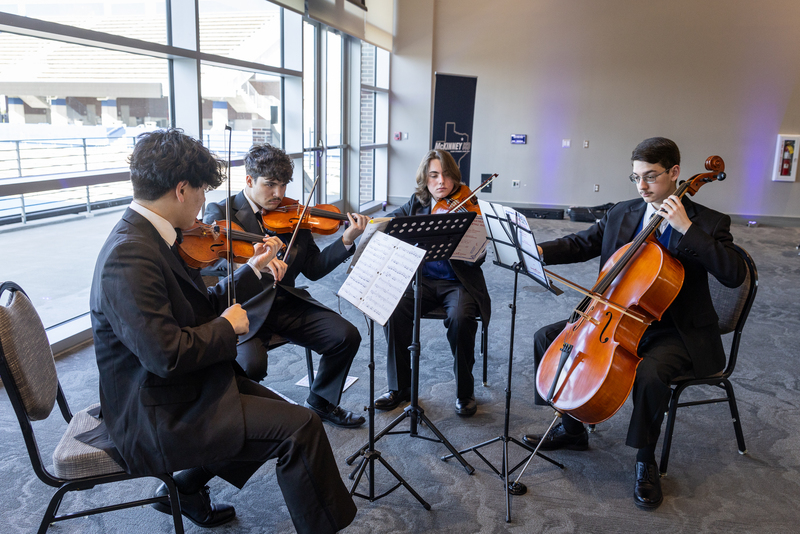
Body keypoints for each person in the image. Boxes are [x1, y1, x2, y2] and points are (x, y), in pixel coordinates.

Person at [88, 129, 357, 533]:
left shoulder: (154, 238)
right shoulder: (130, 254)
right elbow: (167, 356)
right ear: (182, 190)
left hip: (185, 385)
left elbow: (198, 308)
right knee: (301, 428)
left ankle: (187, 489)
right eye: (200, 193)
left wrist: (251, 271)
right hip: (157, 409)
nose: (202, 206)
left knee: (289, 416)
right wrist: (228, 328)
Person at [521, 137, 746, 509]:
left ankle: (645, 460)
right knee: (548, 337)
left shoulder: (707, 221)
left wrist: (687, 228)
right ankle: (573, 429)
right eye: (635, 177)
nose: (641, 186)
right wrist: (539, 251)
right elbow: (582, 243)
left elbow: (734, 274)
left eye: (651, 177)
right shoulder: (623, 212)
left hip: (677, 330)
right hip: (619, 317)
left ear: (675, 173)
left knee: (650, 374)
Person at [204, 143, 369, 428]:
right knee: (251, 366)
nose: (279, 194)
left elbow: (314, 270)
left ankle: (321, 401)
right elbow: (208, 261)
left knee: (347, 335)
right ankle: (239, 423)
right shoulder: (221, 211)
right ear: (248, 181)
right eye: (270, 185)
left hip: (285, 303)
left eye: (283, 185)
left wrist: (346, 240)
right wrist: (252, 263)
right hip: (245, 311)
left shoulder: (295, 214)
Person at [374, 149, 491, 417]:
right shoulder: (417, 203)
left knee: (461, 319)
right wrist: (369, 224)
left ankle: (465, 391)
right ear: (425, 179)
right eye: (434, 175)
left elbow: (478, 259)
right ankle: (400, 387)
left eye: (447, 175)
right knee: (393, 308)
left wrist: (471, 244)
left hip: (458, 283)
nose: (442, 182)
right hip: (423, 281)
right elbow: (389, 223)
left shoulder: (470, 206)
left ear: (455, 177)